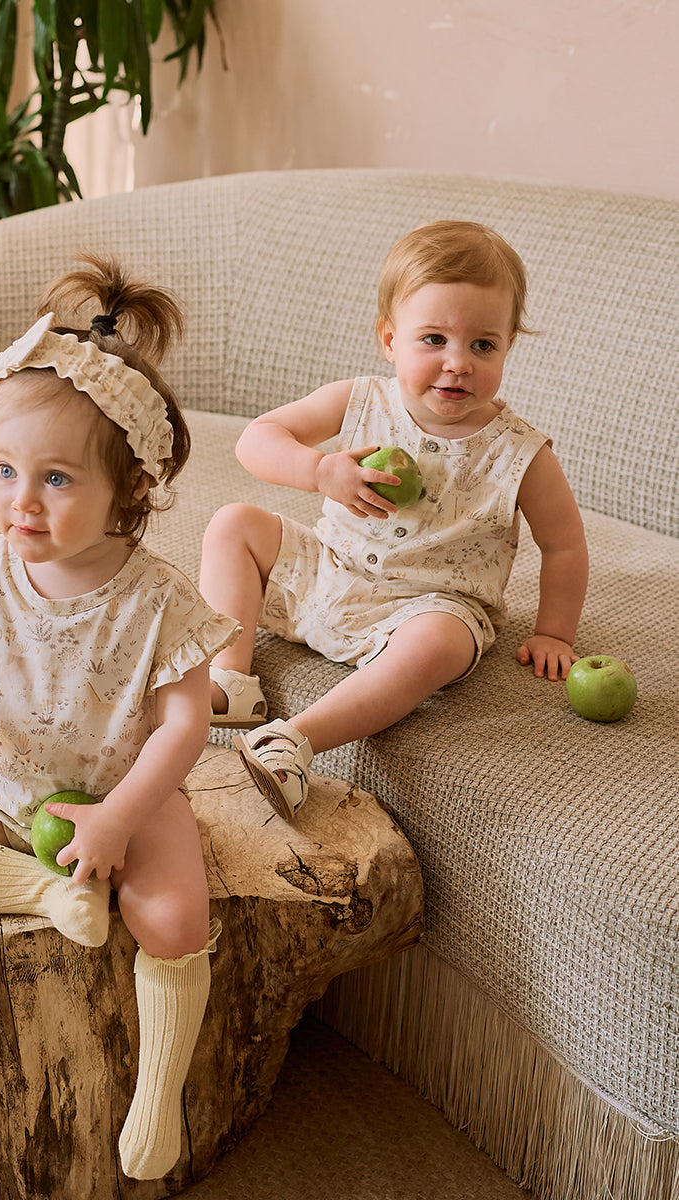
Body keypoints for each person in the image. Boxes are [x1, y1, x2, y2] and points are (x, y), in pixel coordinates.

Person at [0, 254, 240, 1181]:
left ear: (133, 489)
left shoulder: (159, 602)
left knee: (173, 916)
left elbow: (184, 728)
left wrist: (119, 818)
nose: (20, 501)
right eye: (4, 470)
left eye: (57, 479)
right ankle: (50, 896)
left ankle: (158, 1093)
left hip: (123, 797)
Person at [199, 220, 588, 822]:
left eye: (483, 346)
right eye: (433, 339)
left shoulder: (519, 452)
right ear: (389, 338)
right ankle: (230, 681)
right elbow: (257, 439)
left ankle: (295, 741)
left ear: (508, 347)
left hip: (429, 607)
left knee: (440, 641)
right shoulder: (360, 401)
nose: (457, 363)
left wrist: (555, 634)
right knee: (233, 524)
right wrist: (319, 469)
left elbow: (564, 545)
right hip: (330, 572)